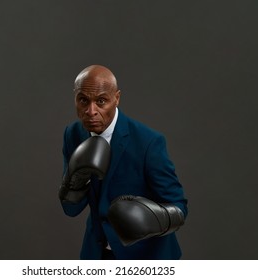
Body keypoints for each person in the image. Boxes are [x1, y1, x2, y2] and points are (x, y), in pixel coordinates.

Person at [59, 65, 188, 260]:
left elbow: (179, 206)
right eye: (83, 100)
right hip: (97, 253)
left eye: (101, 101)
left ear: (116, 99)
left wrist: (150, 219)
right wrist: (76, 182)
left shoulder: (148, 142)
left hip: (146, 257)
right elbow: (71, 209)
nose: (91, 111)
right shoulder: (73, 134)